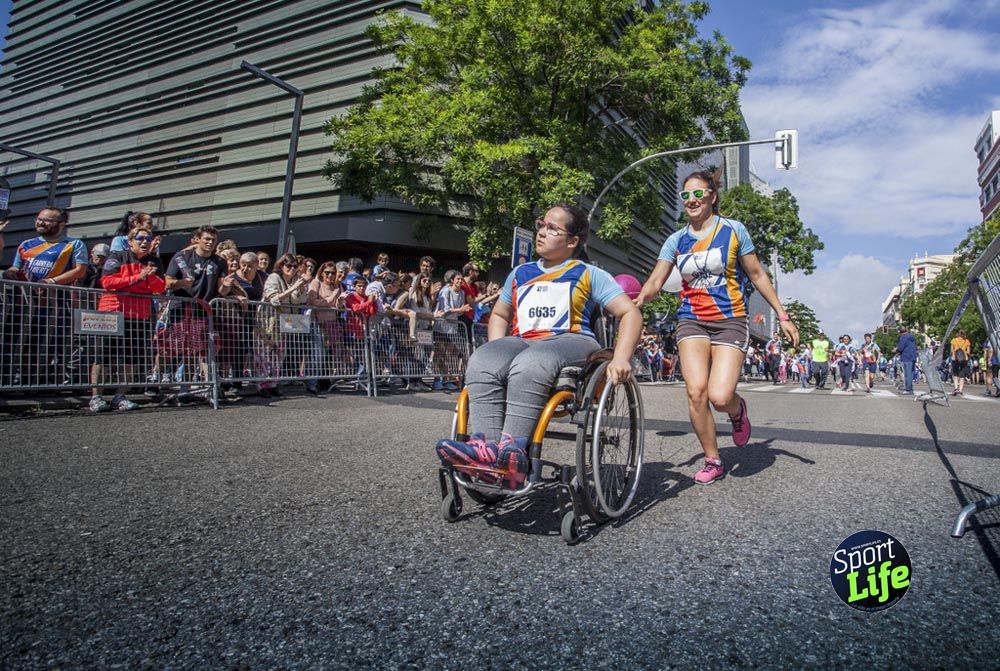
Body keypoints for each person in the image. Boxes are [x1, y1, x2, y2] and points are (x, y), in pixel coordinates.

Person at [437, 204, 641, 483]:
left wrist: (621, 358)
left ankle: (513, 451)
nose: (542, 232)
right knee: (483, 359)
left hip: (572, 341)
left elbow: (630, 312)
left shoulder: (588, 273)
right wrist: (498, 352)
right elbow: (499, 314)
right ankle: (483, 448)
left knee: (532, 361)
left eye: (552, 228)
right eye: (541, 225)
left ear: (572, 241)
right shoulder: (520, 273)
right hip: (524, 341)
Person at [635, 170, 798, 485]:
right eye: (685, 195)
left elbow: (757, 274)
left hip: (730, 320)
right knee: (696, 392)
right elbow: (656, 280)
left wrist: (783, 314)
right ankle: (713, 459)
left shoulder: (734, 230)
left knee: (720, 396)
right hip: (691, 320)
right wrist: (640, 298)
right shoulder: (676, 240)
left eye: (698, 193)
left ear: (711, 196)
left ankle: (737, 412)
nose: (691, 200)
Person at [3, 207, 89, 386]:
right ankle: (15, 382)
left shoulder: (73, 244)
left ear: (61, 224)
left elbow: (80, 271)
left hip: (56, 305)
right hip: (25, 304)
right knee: (19, 344)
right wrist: (10, 273)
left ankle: (43, 383)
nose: (41, 222)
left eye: (48, 220)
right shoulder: (26, 244)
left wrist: (52, 281)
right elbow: (15, 267)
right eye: (39, 218)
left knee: (50, 346)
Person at [89, 225, 164, 412]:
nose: (145, 242)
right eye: (140, 238)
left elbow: (160, 288)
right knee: (103, 357)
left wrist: (149, 277)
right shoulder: (117, 257)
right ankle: (96, 397)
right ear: (130, 241)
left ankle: (120, 396)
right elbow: (107, 282)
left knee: (132, 358)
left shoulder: (154, 261)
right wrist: (138, 277)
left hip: (139, 315)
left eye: (148, 238)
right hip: (112, 311)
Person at [893, 325, 917, 394]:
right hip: (913, 357)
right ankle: (911, 388)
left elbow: (900, 348)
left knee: (907, 374)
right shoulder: (911, 336)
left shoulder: (903, 337)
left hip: (906, 357)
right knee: (911, 373)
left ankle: (908, 389)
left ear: (900, 331)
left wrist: (895, 349)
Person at [949, 329, 972, 396]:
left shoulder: (954, 340)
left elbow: (951, 350)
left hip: (955, 358)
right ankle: (960, 390)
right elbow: (968, 352)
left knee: (955, 374)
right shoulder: (967, 341)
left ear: (958, 334)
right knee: (962, 375)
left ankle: (956, 388)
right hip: (964, 359)